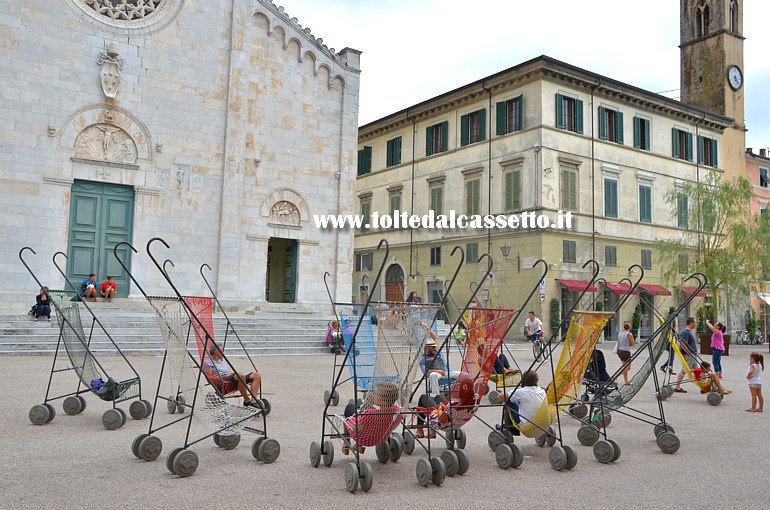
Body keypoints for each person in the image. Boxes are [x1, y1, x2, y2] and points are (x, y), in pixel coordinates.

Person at [341, 381, 400, 454]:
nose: (373, 395)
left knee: (349, 408)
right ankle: (357, 445)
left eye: (375, 394)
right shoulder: (396, 411)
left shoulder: (369, 413)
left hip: (362, 438)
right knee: (363, 411)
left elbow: (357, 428)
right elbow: (396, 423)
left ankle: (347, 441)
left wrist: (358, 422)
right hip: (381, 437)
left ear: (382, 399)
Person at [204, 343, 262, 408]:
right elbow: (210, 380)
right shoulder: (207, 363)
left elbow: (228, 374)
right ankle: (247, 401)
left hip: (231, 379)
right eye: (222, 351)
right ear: (217, 352)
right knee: (240, 375)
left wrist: (231, 374)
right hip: (223, 383)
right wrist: (225, 376)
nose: (223, 353)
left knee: (256, 375)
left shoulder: (221, 361)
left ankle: (253, 401)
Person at [498, 370, 546, 436]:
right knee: (521, 400)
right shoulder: (542, 390)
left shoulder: (522, 392)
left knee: (508, 401)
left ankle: (511, 428)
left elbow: (500, 397)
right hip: (542, 423)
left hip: (527, 426)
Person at [673, 317, 699, 393]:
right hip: (689, 355)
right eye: (695, 322)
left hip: (692, 354)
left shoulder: (689, 331)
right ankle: (677, 387)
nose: (696, 324)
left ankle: (703, 387)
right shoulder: (686, 332)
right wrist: (689, 353)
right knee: (685, 370)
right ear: (691, 323)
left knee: (697, 370)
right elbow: (683, 344)